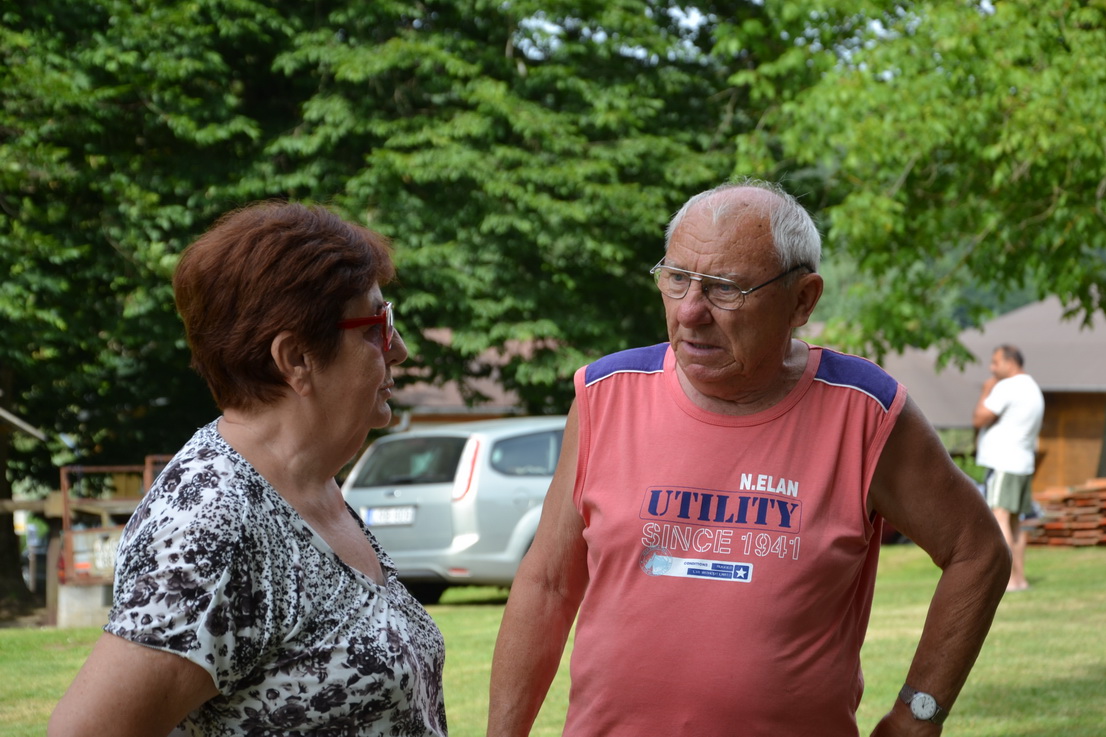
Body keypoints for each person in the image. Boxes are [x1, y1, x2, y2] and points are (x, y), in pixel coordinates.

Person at [487, 180, 1010, 736]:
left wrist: (916, 716)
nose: (691, 311)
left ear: (802, 300)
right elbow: (547, 585)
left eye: (725, 289)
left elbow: (977, 552)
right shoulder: (606, 393)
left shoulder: (864, 411)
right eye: (677, 278)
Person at [49, 202, 447, 737]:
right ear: (296, 358)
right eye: (376, 326)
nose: (398, 349)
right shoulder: (212, 521)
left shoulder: (308, 486)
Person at [972, 345, 1045, 592]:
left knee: (999, 517)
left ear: (1010, 362)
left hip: (1004, 462)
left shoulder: (1007, 387)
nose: (991, 368)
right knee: (1015, 522)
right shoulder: (1032, 387)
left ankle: (1007, 580)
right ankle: (1020, 579)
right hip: (1022, 463)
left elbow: (979, 418)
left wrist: (986, 391)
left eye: (995, 362)